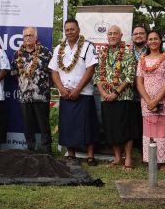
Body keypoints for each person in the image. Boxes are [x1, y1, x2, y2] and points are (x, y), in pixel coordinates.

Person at [49, 18, 99, 164]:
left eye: (72, 29)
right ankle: (71, 155)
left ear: (78, 30)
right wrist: (61, 89)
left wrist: (78, 89)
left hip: (83, 93)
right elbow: (54, 71)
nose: (69, 32)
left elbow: (91, 69)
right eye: (67, 30)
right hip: (65, 93)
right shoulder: (59, 49)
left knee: (87, 125)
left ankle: (90, 156)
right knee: (68, 125)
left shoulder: (88, 46)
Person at [95, 26, 137, 170]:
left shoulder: (128, 52)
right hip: (106, 97)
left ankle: (128, 159)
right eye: (110, 34)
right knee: (110, 128)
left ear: (121, 35)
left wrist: (116, 93)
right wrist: (103, 93)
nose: (112, 36)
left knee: (126, 129)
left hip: (123, 97)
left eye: (115, 34)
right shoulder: (102, 53)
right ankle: (118, 157)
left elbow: (130, 76)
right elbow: (97, 75)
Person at [137, 30, 165, 171]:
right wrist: (149, 101)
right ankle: (151, 160)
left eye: (155, 39)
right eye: (150, 39)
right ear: (147, 42)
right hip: (147, 102)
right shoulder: (142, 60)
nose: (153, 41)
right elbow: (139, 83)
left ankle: (164, 162)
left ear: (160, 41)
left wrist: (157, 100)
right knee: (149, 132)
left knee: (163, 132)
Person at [11, 27, 53, 153]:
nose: (28, 38)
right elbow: (15, 74)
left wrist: (42, 87)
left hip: (41, 95)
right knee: (28, 125)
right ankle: (30, 150)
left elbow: (52, 73)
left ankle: (47, 151)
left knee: (44, 125)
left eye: (31, 35)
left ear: (36, 37)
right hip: (24, 97)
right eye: (26, 36)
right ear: (23, 38)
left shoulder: (46, 53)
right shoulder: (17, 54)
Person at [129, 24, 148, 149]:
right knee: (134, 119)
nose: (138, 36)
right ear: (132, 37)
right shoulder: (127, 52)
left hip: (149, 91)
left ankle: (147, 148)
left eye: (141, 33)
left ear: (146, 36)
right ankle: (138, 147)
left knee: (148, 120)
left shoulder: (154, 49)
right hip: (131, 92)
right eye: (136, 34)